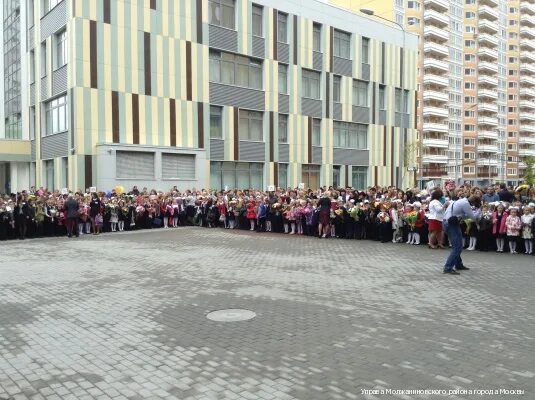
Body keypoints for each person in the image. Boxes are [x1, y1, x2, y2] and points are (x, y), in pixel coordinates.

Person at [442, 192, 480, 275]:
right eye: (474, 205)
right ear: (473, 202)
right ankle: (448, 267)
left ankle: (458, 264)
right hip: (452, 225)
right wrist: (479, 211)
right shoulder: (465, 204)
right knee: (457, 247)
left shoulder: (461, 201)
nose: (473, 206)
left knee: (457, 246)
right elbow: (472, 217)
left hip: (447, 223)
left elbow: (463, 216)